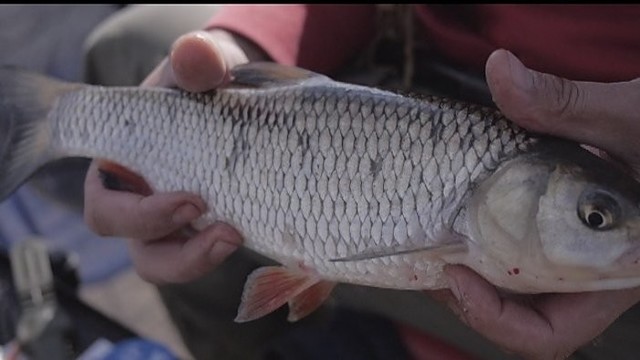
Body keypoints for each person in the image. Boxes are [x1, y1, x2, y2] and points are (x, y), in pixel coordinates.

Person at [83, 4, 640, 359]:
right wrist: (250, 44)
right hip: (399, 78)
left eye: (592, 219)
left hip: (606, 169)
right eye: (593, 218)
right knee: (130, 51)